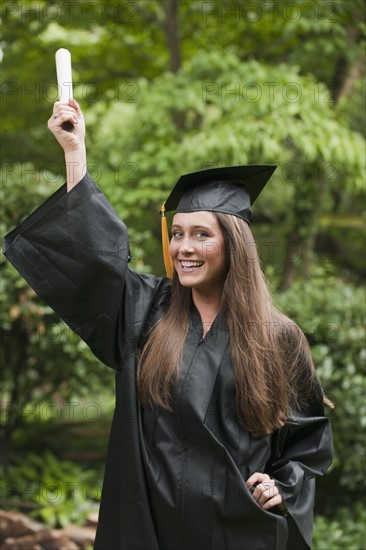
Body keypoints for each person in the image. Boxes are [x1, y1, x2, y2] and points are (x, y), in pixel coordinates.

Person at [3, 99, 333, 550]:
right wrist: (74, 153)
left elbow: (307, 438)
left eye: (201, 234)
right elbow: (97, 259)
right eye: (177, 233)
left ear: (234, 245)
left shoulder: (277, 337)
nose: (184, 247)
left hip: (236, 532)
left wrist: (283, 484)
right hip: (149, 529)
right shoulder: (147, 310)